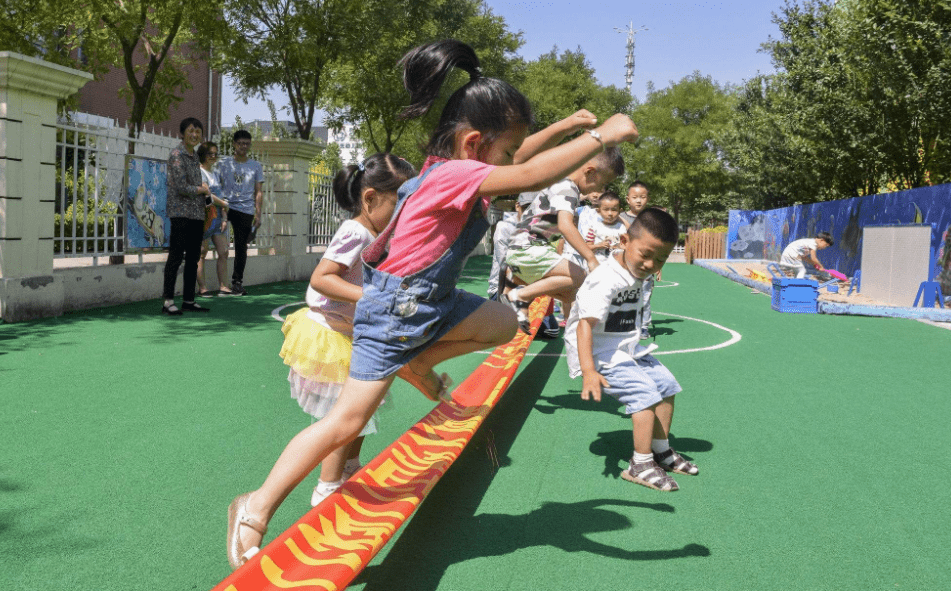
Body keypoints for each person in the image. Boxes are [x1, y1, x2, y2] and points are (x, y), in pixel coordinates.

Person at [226, 38, 640, 569]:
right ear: (473, 144)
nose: (514, 161)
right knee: (345, 423)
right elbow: (528, 174)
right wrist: (602, 135)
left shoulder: (447, 169)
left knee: (502, 320)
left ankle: (422, 359)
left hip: (432, 304)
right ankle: (254, 508)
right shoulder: (452, 177)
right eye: (508, 150)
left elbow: (522, 160)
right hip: (390, 313)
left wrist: (562, 130)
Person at [279, 153, 417, 507]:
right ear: (370, 199)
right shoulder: (356, 231)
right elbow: (322, 278)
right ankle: (326, 488)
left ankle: (351, 467)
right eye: (400, 203)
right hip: (330, 336)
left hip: (355, 334)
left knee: (362, 407)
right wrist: (373, 297)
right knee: (342, 415)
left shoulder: (380, 234)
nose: (405, 213)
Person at [565, 208, 697, 492]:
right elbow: (583, 326)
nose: (650, 264)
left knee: (666, 386)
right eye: (646, 255)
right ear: (624, 241)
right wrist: (588, 370)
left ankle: (661, 451)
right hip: (599, 353)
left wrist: (652, 262)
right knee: (644, 394)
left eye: (660, 259)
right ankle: (640, 463)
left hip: (626, 347)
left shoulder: (637, 270)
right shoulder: (605, 279)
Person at [503, 147, 625, 332]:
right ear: (590, 171)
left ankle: (519, 281)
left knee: (569, 295)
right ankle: (521, 295)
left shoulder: (565, 185)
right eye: (602, 184)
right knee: (580, 276)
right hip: (527, 248)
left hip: (523, 249)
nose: (600, 190)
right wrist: (590, 259)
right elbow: (565, 226)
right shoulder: (568, 188)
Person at [161, 117, 213, 315]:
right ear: (182, 134)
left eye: (198, 131)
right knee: (175, 257)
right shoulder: (176, 155)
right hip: (180, 213)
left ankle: (189, 300)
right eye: (191, 131)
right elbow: (181, 187)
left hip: (196, 214)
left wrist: (202, 192)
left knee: (193, 258)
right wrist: (202, 189)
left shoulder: (195, 157)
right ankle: (168, 301)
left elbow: (194, 187)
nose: (194, 134)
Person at [215, 129, 264, 296]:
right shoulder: (223, 163)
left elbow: (258, 191)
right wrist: (220, 205)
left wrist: (258, 214)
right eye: (241, 143)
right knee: (218, 246)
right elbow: (216, 186)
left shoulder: (256, 166)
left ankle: (237, 282)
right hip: (225, 207)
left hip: (246, 210)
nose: (244, 147)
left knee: (241, 247)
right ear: (234, 144)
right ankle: (220, 284)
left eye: (247, 144)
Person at [195, 142, 232, 297]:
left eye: (215, 154)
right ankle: (203, 288)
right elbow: (207, 194)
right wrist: (223, 203)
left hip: (217, 217)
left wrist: (224, 217)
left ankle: (224, 286)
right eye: (210, 154)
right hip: (204, 216)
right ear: (203, 155)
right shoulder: (199, 172)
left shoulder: (216, 174)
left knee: (223, 251)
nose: (213, 157)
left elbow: (222, 195)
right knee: (202, 252)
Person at [583, 190, 626, 264]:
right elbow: (587, 247)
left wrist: (617, 247)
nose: (610, 213)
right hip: (597, 264)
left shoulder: (621, 228)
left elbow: (625, 247)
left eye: (614, 210)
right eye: (606, 210)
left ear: (619, 211)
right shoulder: (594, 227)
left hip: (615, 265)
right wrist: (598, 245)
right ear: (599, 211)